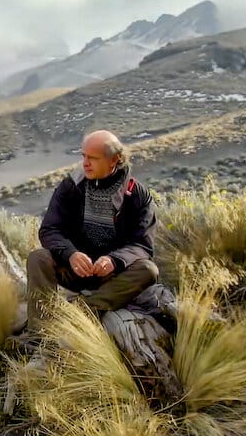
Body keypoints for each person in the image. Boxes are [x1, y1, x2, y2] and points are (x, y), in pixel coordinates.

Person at [25, 129, 158, 332]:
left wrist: (115, 260)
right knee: (38, 258)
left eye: (93, 158)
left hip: (112, 276)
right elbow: (50, 229)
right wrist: (70, 254)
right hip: (75, 270)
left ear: (114, 160)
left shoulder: (137, 195)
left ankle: (85, 311)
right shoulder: (71, 186)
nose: (85, 163)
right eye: (83, 156)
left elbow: (142, 245)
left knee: (148, 270)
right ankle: (39, 331)